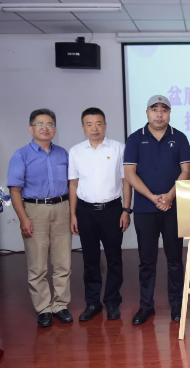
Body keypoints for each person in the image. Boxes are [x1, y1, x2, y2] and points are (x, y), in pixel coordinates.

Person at [123, 95, 190, 325]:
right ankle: (146, 306)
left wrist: (169, 196)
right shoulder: (135, 139)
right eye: (155, 109)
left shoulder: (179, 137)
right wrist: (153, 197)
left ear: (169, 113)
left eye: (164, 110)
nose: (159, 114)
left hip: (173, 208)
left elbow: (186, 171)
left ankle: (177, 305)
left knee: (175, 260)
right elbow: (130, 174)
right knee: (147, 261)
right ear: (147, 112)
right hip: (145, 208)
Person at [7, 109, 72, 328]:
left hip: (62, 208)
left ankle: (60, 305)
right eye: (40, 124)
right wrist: (23, 219)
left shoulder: (63, 154)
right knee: (37, 265)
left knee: (63, 263)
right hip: (35, 211)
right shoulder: (21, 155)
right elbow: (15, 191)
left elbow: (72, 185)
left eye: (50, 124)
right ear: (31, 128)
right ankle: (43, 308)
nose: (45, 128)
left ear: (55, 129)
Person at [68, 108, 132, 322]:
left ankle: (112, 301)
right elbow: (73, 184)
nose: (94, 128)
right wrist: (73, 214)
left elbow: (125, 181)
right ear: (83, 127)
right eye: (89, 124)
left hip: (112, 210)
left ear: (105, 125)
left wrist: (126, 210)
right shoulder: (76, 151)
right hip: (85, 211)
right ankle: (93, 303)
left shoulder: (119, 149)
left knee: (114, 258)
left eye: (98, 123)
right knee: (90, 259)